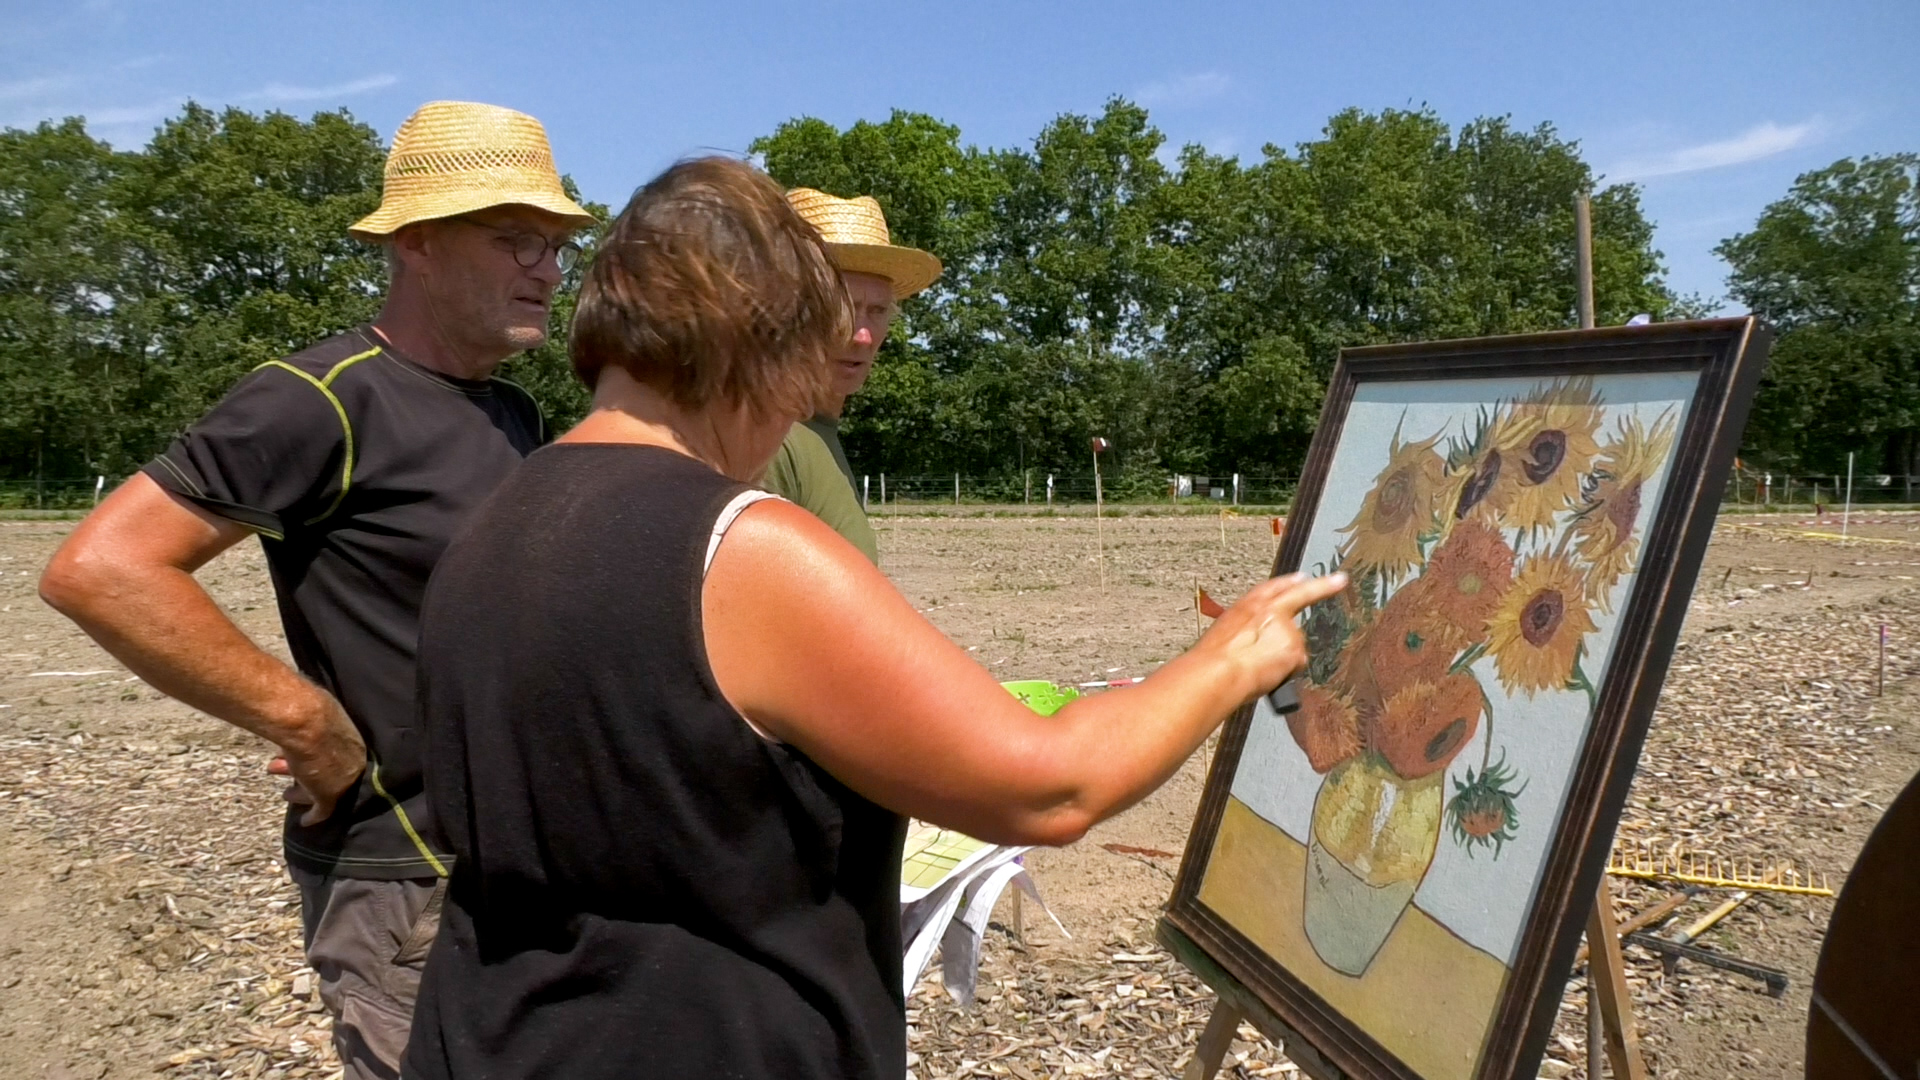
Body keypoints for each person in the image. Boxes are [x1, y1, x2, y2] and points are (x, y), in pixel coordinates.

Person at [402, 155, 1346, 1080]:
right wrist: (1235, 655)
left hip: (490, 1034)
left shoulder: (497, 517)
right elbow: (1051, 789)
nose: (800, 407)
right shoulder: (740, 547)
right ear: (760, 343)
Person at [37, 100, 594, 1079]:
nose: (548, 270)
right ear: (419, 241)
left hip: (520, 863)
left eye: (554, 246)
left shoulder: (511, 409)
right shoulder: (323, 395)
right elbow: (104, 568)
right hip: (406, 879)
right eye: (517, 240)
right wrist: (305, 724)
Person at [759, 188, 937, 561]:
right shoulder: (770, 441)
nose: (862, 335)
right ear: (787, 310)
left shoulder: (817, 434)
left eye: (877, 311)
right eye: (842, 309)